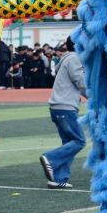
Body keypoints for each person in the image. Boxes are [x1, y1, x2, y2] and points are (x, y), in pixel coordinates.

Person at [39, 37, 87, 189]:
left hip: (59, 106)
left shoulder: (67, 58)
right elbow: (81, 82)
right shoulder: (74, 58)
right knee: (79, 141)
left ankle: (59, 178)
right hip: (66, 107)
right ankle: (50, 158)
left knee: (68, 142)